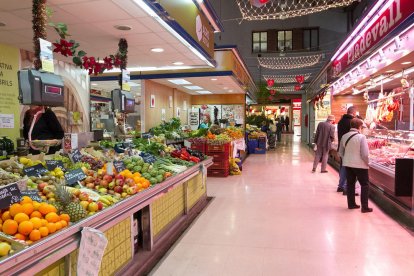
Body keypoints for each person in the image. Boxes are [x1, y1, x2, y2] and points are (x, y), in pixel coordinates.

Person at [339, 118, 373, 213]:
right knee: (365, 185)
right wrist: (367, 162)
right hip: (360, 165)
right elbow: (365, 154)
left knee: (350, 184)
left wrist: (346, 159)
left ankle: (351, 204)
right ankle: (365, 207)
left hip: (348, 164)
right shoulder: (361, 137)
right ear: (359, 126)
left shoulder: (344, 136)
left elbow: (340, 152)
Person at [337, 106, 357, 194]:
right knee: (348, 168)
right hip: (349, 148)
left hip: (341, 146)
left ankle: (340, 186)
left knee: (343, 167)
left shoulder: (341, 121)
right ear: (353, 113)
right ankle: (345, 187)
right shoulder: (351, 122)